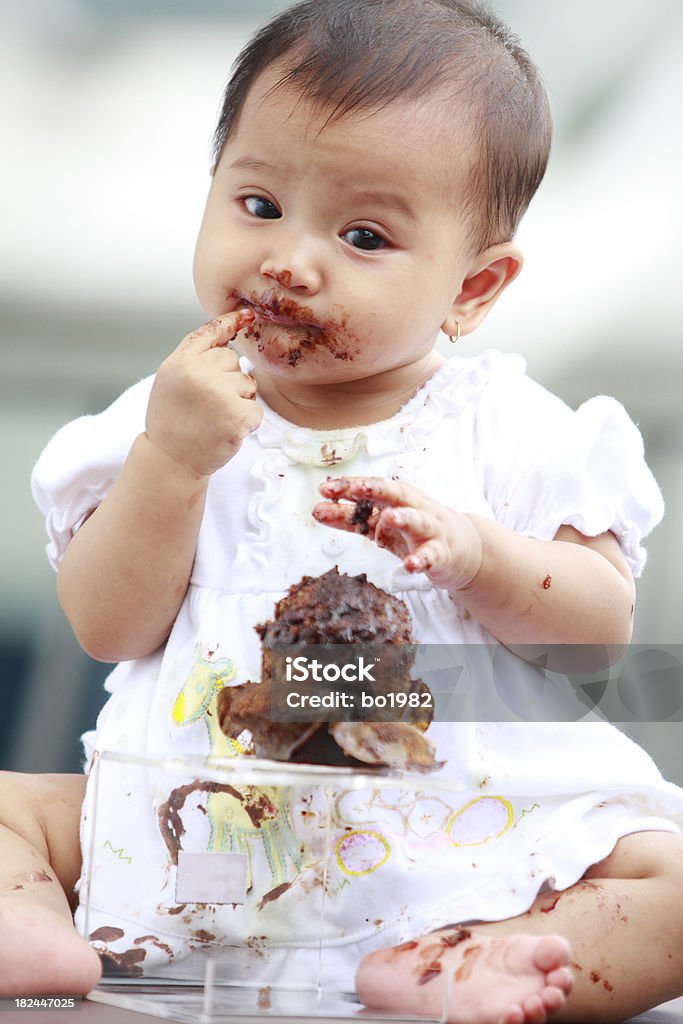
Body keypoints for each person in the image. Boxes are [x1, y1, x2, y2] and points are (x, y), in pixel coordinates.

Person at [3, 0, 683, 1019]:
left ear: (473, 285)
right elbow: (108, 625)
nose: (291, 260)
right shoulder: (164, 423)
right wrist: (170, 464)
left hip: (452, 827)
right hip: (203, 823)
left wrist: (479, 557)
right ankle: (32, 920)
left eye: (362, 235)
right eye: (260, 205)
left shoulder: (516, 431)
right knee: (15, 806)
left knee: (669, 881)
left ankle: (461, 958)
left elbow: (596, 631)